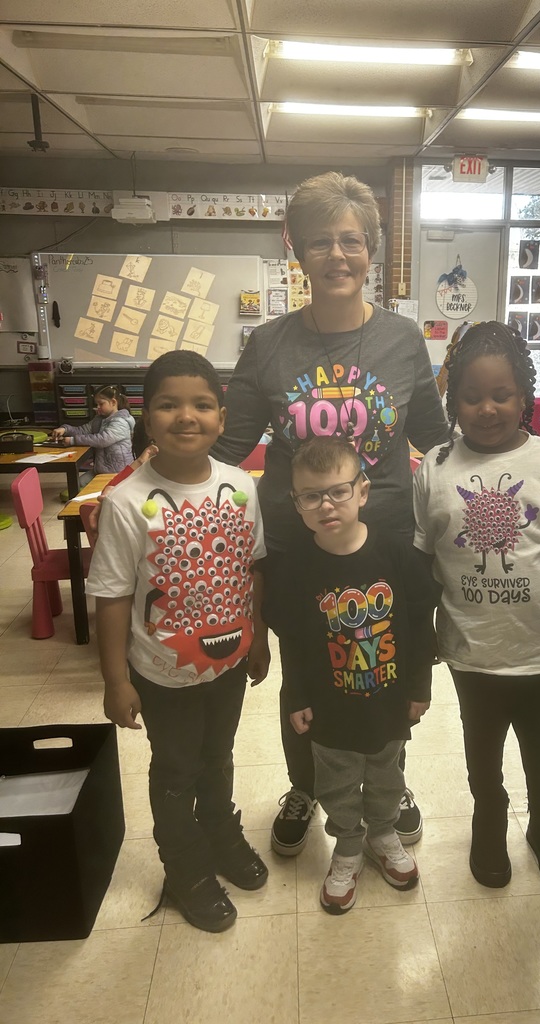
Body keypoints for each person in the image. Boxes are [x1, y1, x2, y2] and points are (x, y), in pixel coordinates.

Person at [212, 171, 449, 857]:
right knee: (311, 669)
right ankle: (306, 782)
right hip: (298, 546)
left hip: (388, 545)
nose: (337, 256)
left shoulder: (404, 341)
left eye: (351, 241)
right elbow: (230, 449)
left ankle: (386, 781)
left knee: (383, 662)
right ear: (298, 252)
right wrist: (152, 480)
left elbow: (436, 444)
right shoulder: (269, 344)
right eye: (321, 243)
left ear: (371, 250)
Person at [413, 321, 540, 894]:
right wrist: (425, 629)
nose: (486, 408)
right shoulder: (434, 468)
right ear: (452, 400)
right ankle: (489, 821)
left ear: (526, 396)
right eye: (471, 396)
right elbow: (423, 559)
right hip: (471, 651)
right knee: (481, 751)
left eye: (501, 394)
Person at [86, 351, 271, 933]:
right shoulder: (125, 502)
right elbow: (111, 596)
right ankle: (186, 867)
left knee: (218, 758)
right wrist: (116, 680)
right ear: (146, 415)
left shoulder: (241, 485)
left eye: (201, 404)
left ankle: (219, 832)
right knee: (174, 771)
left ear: (222, 416)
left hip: (230, 663)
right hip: (161, 675)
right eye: (168, 404)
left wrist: (258, 635)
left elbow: (254, 567)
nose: (185, 416)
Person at [263, 438, 439, 914]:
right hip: (330, 705)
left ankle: (383, 834)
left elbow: (422, 624)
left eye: (338, 491)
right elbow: (294, 641)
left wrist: (420, 687)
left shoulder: (397, 555)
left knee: (386, 774)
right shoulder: (296, 567)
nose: (326, 505)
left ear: (363, 491)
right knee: (337, 783)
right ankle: (347, 845)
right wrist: (297, 695)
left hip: (388, 699)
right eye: (311, 496)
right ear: (296, 503)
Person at [51, 384, 135, 480]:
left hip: (118, 472)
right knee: (77, 485)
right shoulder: (99, 420)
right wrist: (65, 429)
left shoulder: (121, 421)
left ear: (113, 402)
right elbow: (82, 430)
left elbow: (102, 440)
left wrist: (73, 441)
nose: (97, 407)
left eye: (101, 404)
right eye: (96, 404)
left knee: (82, 488)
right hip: (101, 469)